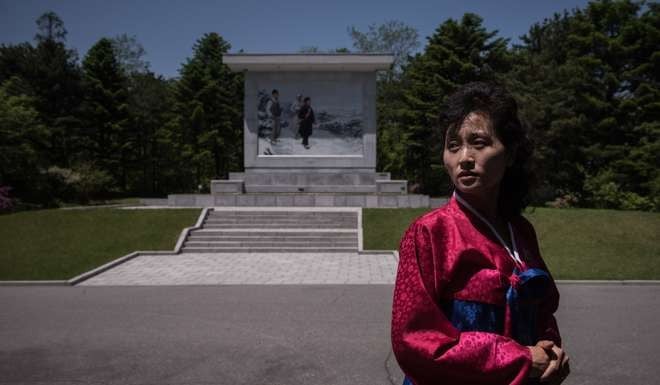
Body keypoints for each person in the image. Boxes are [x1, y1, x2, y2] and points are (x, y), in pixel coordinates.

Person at [391, 82, 570, 385]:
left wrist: (549, 350)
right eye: (453, 146)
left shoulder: (521, 232)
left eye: (479, 143)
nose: (464, 157)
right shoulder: (430, 233)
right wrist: (520, 358)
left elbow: (543, 310)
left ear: (510, 153)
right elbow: (415, 341)